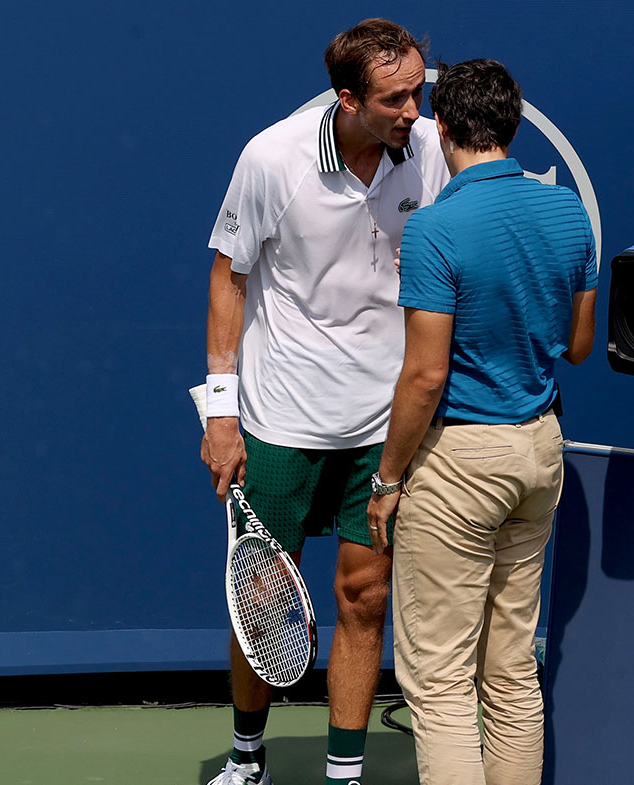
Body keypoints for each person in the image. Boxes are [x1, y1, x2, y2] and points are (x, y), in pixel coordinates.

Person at [200, 18, 450, 785]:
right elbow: (229, 278)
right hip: (281, 419)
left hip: (384, 424)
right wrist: (220, 410)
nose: (415, 110)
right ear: (347, 99)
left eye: (419, 88)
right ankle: (247, 757)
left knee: (365, 596)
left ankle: (345, 771)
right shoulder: (272, 157)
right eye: (395, 98)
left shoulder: (434, 150)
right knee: (262, 598)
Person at [364, 59, 597, 785]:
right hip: (539, 453)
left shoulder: (435, 229)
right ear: (515, 125)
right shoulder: (567, 213)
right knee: (510, 670)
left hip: (460, 462)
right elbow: (580, 346)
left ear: (441, 127)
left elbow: (426, 375)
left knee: (437, 683)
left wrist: (388, 477)